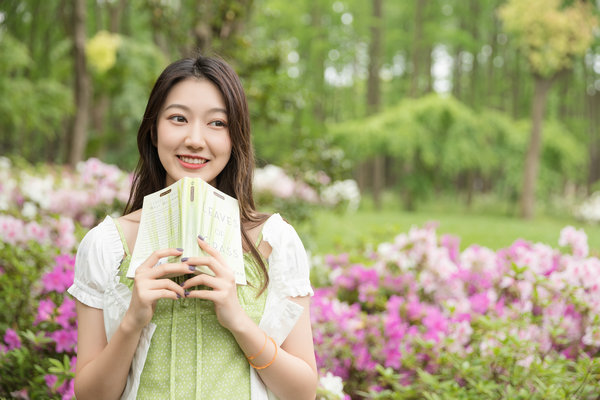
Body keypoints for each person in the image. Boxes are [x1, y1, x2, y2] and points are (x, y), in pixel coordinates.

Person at [67, 55, 318, 400]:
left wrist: (238, 320)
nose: (196, 140)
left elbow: (302, 392)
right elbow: (91, 396)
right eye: (178, 119)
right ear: (154, 130)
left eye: (217, 123)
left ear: (235, 137)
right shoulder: (107, 245)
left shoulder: (274, 241)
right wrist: (133, 320)